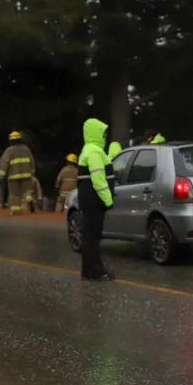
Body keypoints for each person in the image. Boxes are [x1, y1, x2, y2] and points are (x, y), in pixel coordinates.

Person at [76, 118, 115, 281]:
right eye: (103, 133)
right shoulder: (94, 152)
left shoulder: (89, 150)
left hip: (88, 198)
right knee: (93, 237)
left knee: (88, 236)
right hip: (94, 199)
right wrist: (108, 200)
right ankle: (97, 271)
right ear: (96, 134)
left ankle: (87, 271)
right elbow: (99, 179)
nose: (105, 136)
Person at [0, 131, 35, 215]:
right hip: (26, 174)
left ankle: (15, 210)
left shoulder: (9, 150)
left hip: (13, 176)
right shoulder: (26, 149)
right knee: (26, 190)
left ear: (11, 141)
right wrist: (32, 172)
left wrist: (2, 174)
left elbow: (4, 163)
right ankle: (29, 198)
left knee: (14, 193)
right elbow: (32, 161)